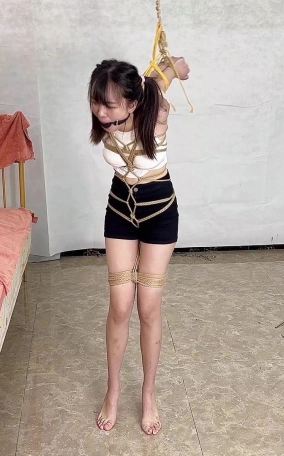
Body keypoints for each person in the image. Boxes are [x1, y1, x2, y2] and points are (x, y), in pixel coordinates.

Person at [87, 56, 190, 435]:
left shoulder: (154, 115)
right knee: (119, 305)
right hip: (120, 211)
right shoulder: (107, 121)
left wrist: (175, 66)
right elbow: (145, 81)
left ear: (132, 103)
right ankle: (113, 390)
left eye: (109, 105)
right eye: (96, 102)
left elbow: (158, 80)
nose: (100, 112)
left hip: (159, 213)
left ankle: (148, 394)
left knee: (147, 307)